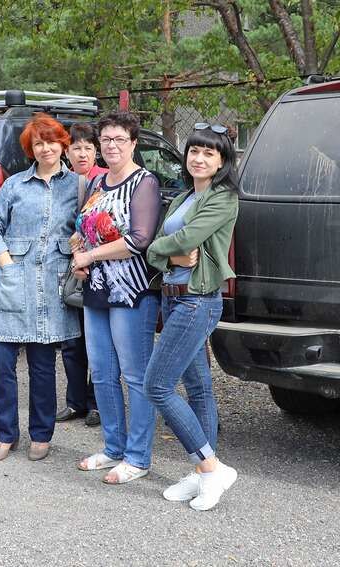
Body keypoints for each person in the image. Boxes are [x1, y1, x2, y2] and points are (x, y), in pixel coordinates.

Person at [144, 124, 240, 511]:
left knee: (157, 386)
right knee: (198, 389)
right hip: (172, 298)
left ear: (222, 161)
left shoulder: (223, 198)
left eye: (209, 153)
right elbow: (165, 246)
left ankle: (211, 467)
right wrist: (165, 254)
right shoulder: (185, 196)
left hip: (197, 300)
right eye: (194, 151)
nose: (199, 158)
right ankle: (204, 474)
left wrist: (159, 250)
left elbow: (184, 240)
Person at [0, 114, 81, 462]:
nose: (45, 148)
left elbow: (86, 228)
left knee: (42, 365)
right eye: (38, 143)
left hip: (51, 286)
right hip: (12, 281)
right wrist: (6, 262)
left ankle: (41, 433)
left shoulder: (78, 186)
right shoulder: (14, 185)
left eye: (51, 141)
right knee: (0, 361)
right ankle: (5, 434)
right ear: (30, 149)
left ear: (62, 144)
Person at [72, 111, 162, 484]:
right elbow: (84, 229)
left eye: (119, 139)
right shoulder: (97, 183)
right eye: (106, 139)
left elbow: (139, 239)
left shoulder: (144, 182)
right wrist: (79, 253)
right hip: (97, 288)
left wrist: (91, 255)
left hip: (132, 291)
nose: (111, 146)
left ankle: (138, 457)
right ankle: (113, 447)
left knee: (135, 375)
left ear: (133, 143)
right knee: (103, 372)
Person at [55, 122, 107, 427]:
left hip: (99, 268)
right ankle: (75, 401)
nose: (82, 153)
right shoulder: (62, 181)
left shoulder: (104, 180)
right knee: (71, 340)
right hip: (68, 269)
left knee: (98, 341)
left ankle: (97, 402)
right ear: (67, 151)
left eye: (88, 147)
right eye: (76, 147)